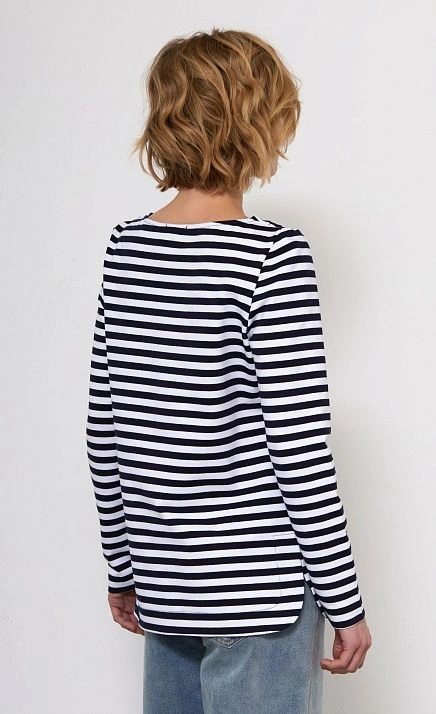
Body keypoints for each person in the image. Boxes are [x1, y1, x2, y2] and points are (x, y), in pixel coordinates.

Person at [86, 27, 372, 714]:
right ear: (259, 125)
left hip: (166, 585)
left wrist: (122, 568)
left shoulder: (127, 249)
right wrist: (345, 601)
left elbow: (106, 432)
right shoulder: (272, 257)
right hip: (262, 596)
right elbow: (299, 449)